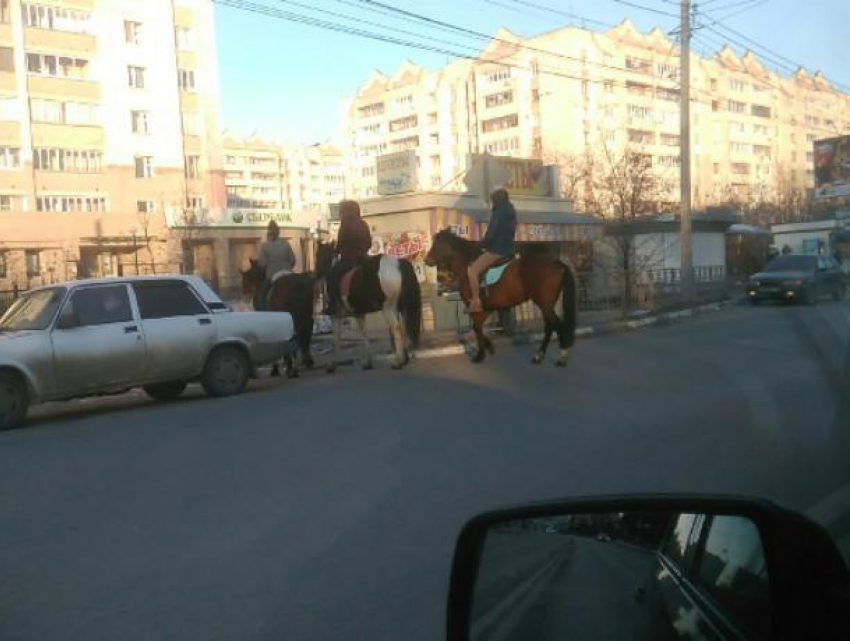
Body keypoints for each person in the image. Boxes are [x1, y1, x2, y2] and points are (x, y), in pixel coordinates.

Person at [467, 187, 517, 313]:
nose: (492, 203)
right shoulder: (511, 211)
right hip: (509, 248)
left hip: (497, 249)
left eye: (492, 201)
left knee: (472, 271)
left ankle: (476, 302)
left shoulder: (498, 212)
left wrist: (481, 244)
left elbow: (492, 233)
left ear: (496, 200)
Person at [326, 200, 372, 314]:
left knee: (331, 275)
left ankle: (332, 304)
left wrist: (336, 252)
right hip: (365, 258)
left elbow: (340, 244)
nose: (340, 214)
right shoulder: (363, 224)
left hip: (349, 260)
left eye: (341, 211)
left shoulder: (345, 225)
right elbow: (369, 242)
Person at [256, 220, 297, 309]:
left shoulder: (265, 246)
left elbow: (262, 264)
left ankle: (263, 308)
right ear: (278, 232)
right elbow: (293, 260)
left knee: (262, 294)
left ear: (268, 233)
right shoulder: (285, 243)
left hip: (272, 275)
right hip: (288, 273)